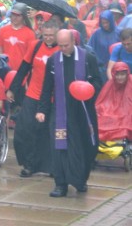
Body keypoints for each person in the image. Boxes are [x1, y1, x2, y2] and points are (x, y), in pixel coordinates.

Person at [36, 29, 101, 197]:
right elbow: (47, 87)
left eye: (66, 45)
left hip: (83, 112)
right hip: (60, 113)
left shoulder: (88, 58)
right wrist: (42, 110)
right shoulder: (53, 60)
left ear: (74, 42)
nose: (63, 49)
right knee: (59, 148)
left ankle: (80, 180)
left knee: (87, 147)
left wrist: (87, 88)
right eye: (60, 45)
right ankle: (60, 184)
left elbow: (98, 82)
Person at [8, 18, 60, 176]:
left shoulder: (61, 50)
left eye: (51, 35)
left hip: (53, 99)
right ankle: (28, 164)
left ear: (57, 34)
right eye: (45, 35)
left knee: (47, 133)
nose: (48, 38)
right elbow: (23, 69)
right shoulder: (35, 46)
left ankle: (51, 167)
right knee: (24, 130)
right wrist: (12, 89)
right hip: (33, 94)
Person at [95, 61, 132, 141]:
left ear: (127, 74)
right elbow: (101, 102)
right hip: (113, 111)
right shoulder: (109, 84)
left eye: (122, 74)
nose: (120, 77)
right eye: (117, 75)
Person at [0, 3, 36, 71]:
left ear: (23, 17)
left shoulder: (30, 34)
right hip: (5, 69)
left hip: (21, 71)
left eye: (18, 15)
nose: (15, 17)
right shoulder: (3, 30)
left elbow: (31, 56)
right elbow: (0, 50)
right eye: (13, 15)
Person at [87, 10, 119, 80]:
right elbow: (89, 49)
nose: (105, 25)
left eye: (107, 22)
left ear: (111, 21)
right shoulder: (97, 34)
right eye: (103, 23)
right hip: (100, 69)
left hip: (116, 69)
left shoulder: (118, 33)